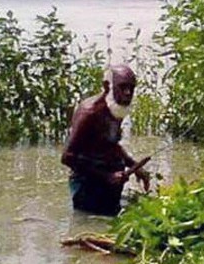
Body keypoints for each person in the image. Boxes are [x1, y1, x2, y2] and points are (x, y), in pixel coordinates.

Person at [61, 64, 150, 216]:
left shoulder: (116, 108)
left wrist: (134, 166)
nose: (128, 93)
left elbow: (111, 145)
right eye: (122, 87)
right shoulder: (89, 113)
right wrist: (106, 176)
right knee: (90, 225)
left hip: (111, 182)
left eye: (131, 88)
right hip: (86, 186)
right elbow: (67, 157)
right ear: (107, 86)